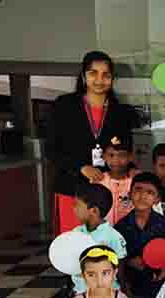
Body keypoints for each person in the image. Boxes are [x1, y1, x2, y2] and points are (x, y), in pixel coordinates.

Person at [47, 50, 139, 236]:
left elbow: (126, 149)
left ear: (112, 79)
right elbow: (51, 149)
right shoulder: (64, 106)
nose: (99, 80)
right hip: (72, 189)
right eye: (93, 73)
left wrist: (131, 169)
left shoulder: (120, 112)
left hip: (108, 191)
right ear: (83, 76)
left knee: (106, 243)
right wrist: (81, 167)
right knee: (75, 245)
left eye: (106, 75)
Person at [71, 183, 127, 295]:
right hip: (81, 292)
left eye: (77, 205)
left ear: (94, 211)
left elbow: (120, 268)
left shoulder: (113, 236)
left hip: (107, 294)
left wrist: (124, 292)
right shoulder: (76, 233)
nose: (73, 208)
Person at [98, 133, 138, 225]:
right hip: (104, 231)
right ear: (104, 157)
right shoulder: (98, 181)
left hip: (128, 231)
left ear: (130, 157)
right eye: (111, 155)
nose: (116, 160)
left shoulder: (136, 182)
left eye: (122, 155)